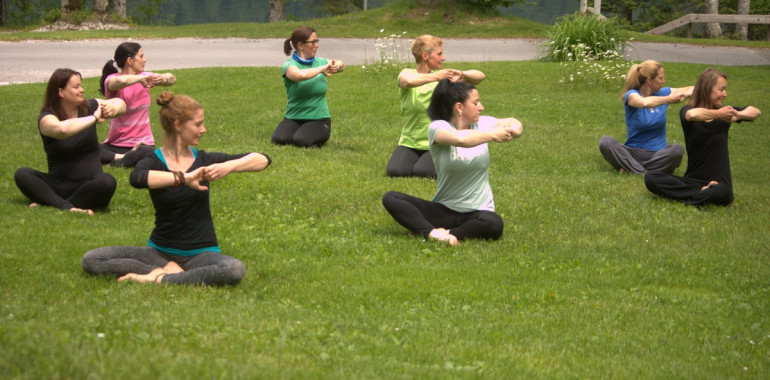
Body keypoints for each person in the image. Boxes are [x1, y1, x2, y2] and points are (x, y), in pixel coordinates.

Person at [82, 91, 272, 285]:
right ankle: (163, 270)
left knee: (234, 269)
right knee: (92, 259)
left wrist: (229, 166)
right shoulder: (154, 160)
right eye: (197, 124)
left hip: (200, 254)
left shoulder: (204, 160)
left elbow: (263, 159)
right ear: (178, 126)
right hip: (159, 252)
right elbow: (137, 178)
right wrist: (184, 178)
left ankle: (161, 278)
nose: (203, 129)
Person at [382, 79, 522, 246]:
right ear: (459, 107)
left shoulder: (482, 124)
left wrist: (513, 129)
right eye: (476, 103)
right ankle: (432, 233)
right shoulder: (438, 127)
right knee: (391, 198)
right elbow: (459, 139)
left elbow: (513, 122)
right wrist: (492, 135)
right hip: (445, 209)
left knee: (494, 223)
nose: (481, 107)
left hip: (477, 211)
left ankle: (446, 233)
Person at [14, 68, 126, 215]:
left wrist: (114, 108)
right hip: (59, 184)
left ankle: (54, 203)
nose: (82, 90)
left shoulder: (89, 106)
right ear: (61, 92)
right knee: (22, 174)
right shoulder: (47, 118)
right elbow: (62, 130)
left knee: (107, 181)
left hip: (90, 183)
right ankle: (69, 207)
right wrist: (93, 119)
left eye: (81, 85)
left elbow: (120, 103)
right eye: (76, 87)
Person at [644, 68, 761, 206]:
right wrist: (719, 115)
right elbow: (692, 115)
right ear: (707, 89)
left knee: (724, 193)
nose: (725, 94)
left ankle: (694, 197)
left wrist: (739, 115)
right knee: (651, 177)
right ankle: (700, 194)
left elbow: (755, 112)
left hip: (720, 184)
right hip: (692, 182)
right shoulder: (689, 111)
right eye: (721, 89)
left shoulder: (726, 113)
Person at [387, 34, 485, 178]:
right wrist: (436, 77)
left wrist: (461, 73)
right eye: (439, 54)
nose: (443, 58)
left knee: (423, 172)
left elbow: (480, 76)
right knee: (396, 171)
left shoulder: (445, 80)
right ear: (425, 56)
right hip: (410, 142)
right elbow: (406, 82)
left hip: (437, 142)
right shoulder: (408, 74)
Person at [599, 60, 693, 174]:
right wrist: (669, 99)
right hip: (632, 153)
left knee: (677, 150)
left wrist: (688, 93)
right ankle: (647, 171)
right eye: (660, 78)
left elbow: (690, 89)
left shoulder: (662, 92)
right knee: (605, 142)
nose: (664, 81)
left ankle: (632, 168)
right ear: (649, 80)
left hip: (659, 154)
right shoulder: (632, 95)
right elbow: (643, 103)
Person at [99, 41, 176, 167]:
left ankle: (114, 163)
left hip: (142, 145)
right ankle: (125, 158)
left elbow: (172, 78)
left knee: (148, 152)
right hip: (116, 145)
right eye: (141, 56)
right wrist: (141, 79)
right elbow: (122, 80)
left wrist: (164, 78)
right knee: (87, 149)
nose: (145, 60)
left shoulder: (146, 77)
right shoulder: (112, 79)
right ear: (130, 60)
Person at [272, 27, 344, 148]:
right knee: (280, 139)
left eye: (317, 41)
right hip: (293, 117)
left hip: (319, 119)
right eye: (313, 42)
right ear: (300, 45)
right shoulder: (289, 65)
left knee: (301, 141)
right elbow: (301, 75)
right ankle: (301, 131)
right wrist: (322, 69)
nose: (317, 45)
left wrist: (336, 66)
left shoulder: (320, 61)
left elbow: (341, 64)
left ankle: (313, 135)